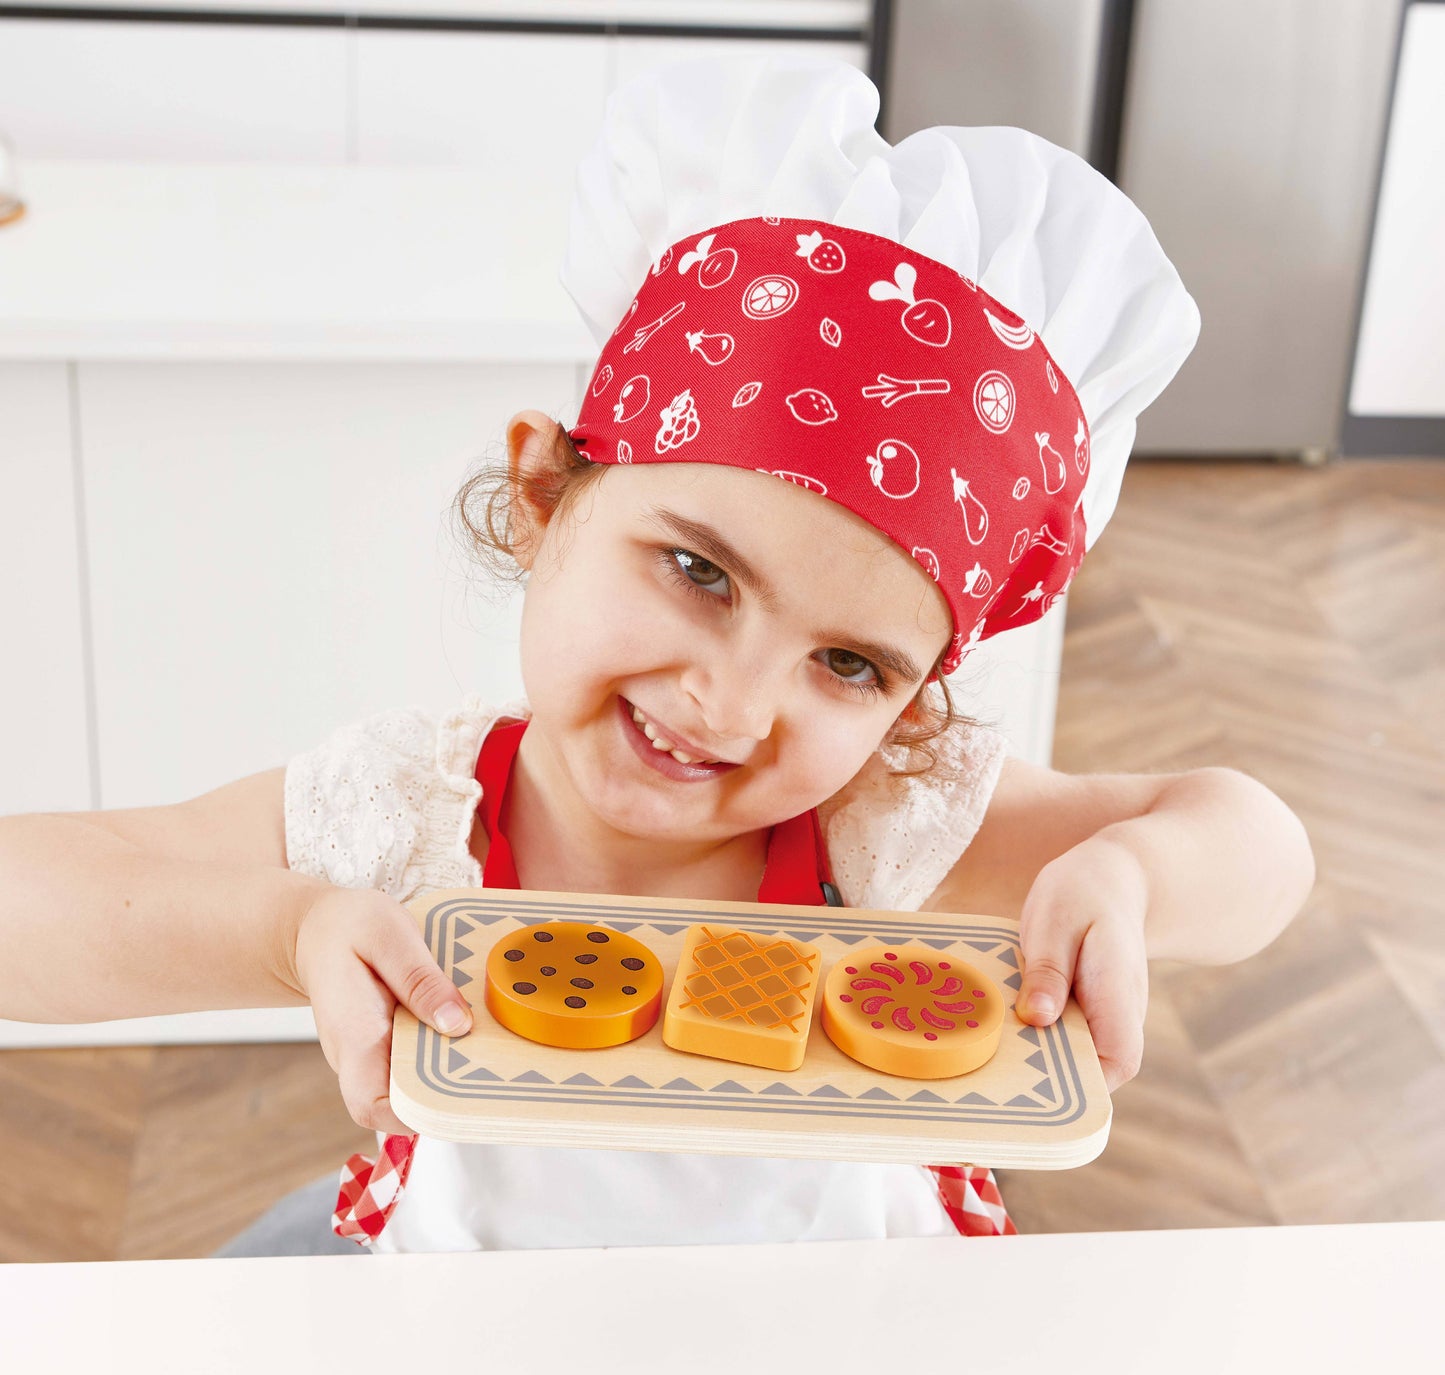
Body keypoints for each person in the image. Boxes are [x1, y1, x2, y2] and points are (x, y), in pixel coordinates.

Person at [0, 55, 1314, 1257]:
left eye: (848, 664)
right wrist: (281, 929)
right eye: (698, 572)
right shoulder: (409, 819)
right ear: (543, 497)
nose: (732, 704)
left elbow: (1256, 849)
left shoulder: (892, 832)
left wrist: (1134, 873)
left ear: (918, 698)